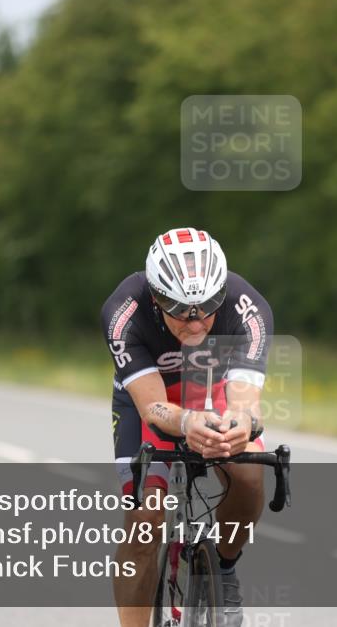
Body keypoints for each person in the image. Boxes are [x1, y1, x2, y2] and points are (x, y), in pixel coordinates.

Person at [102, 228, 273, 627]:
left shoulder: (248, 308)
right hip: (151, 399)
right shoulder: (124, 310)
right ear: (157, 297)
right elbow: (152, 407)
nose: (196, 325)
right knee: (145, 522)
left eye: (208, 307)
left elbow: (245, 402)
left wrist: (240, 424)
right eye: (181, 311)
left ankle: (225, 571)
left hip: (212, 390)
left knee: (248, 473)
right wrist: (185, 422)